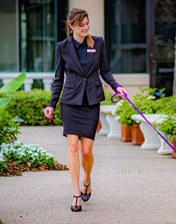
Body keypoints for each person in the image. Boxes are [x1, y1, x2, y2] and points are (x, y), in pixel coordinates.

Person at [43, 8, 126, 212]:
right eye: (82, 24)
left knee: (87, 151)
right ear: (72, 26)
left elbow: (104, 70)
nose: (86, 27)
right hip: (70, 102)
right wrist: (52, 104)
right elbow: (58, 78)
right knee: (73, 147)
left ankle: (87, 179)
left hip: (90, 101)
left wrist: (117, 87)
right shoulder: (63, 47)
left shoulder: (97, 43)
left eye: (88, 23)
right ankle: (76, 192)